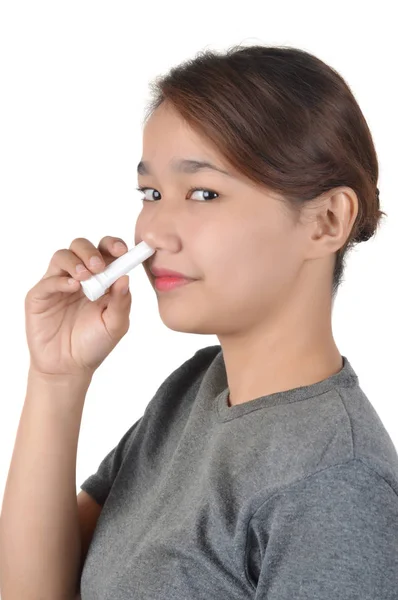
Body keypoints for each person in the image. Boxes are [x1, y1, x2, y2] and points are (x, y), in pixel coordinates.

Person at [1, 44, 396, 600]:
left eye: (204, 193)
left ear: (327, 220)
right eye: (151, 193)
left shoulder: (336, 484)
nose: (154, 232)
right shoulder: (195, 389)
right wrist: (56, 378)